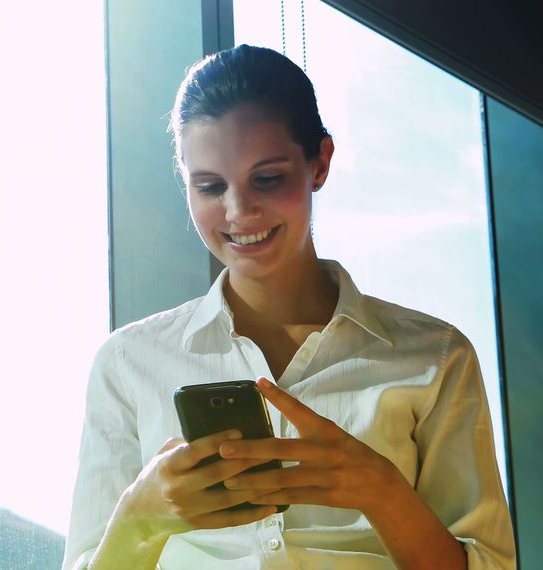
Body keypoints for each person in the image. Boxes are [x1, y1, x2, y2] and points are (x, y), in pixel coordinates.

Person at [62, 44, 515, 569]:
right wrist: (140, 518)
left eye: (268, 178)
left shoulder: (435, 358)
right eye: (209, 186)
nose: (238, 211)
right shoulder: (127, 363)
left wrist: (383, 492)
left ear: (319, 162)